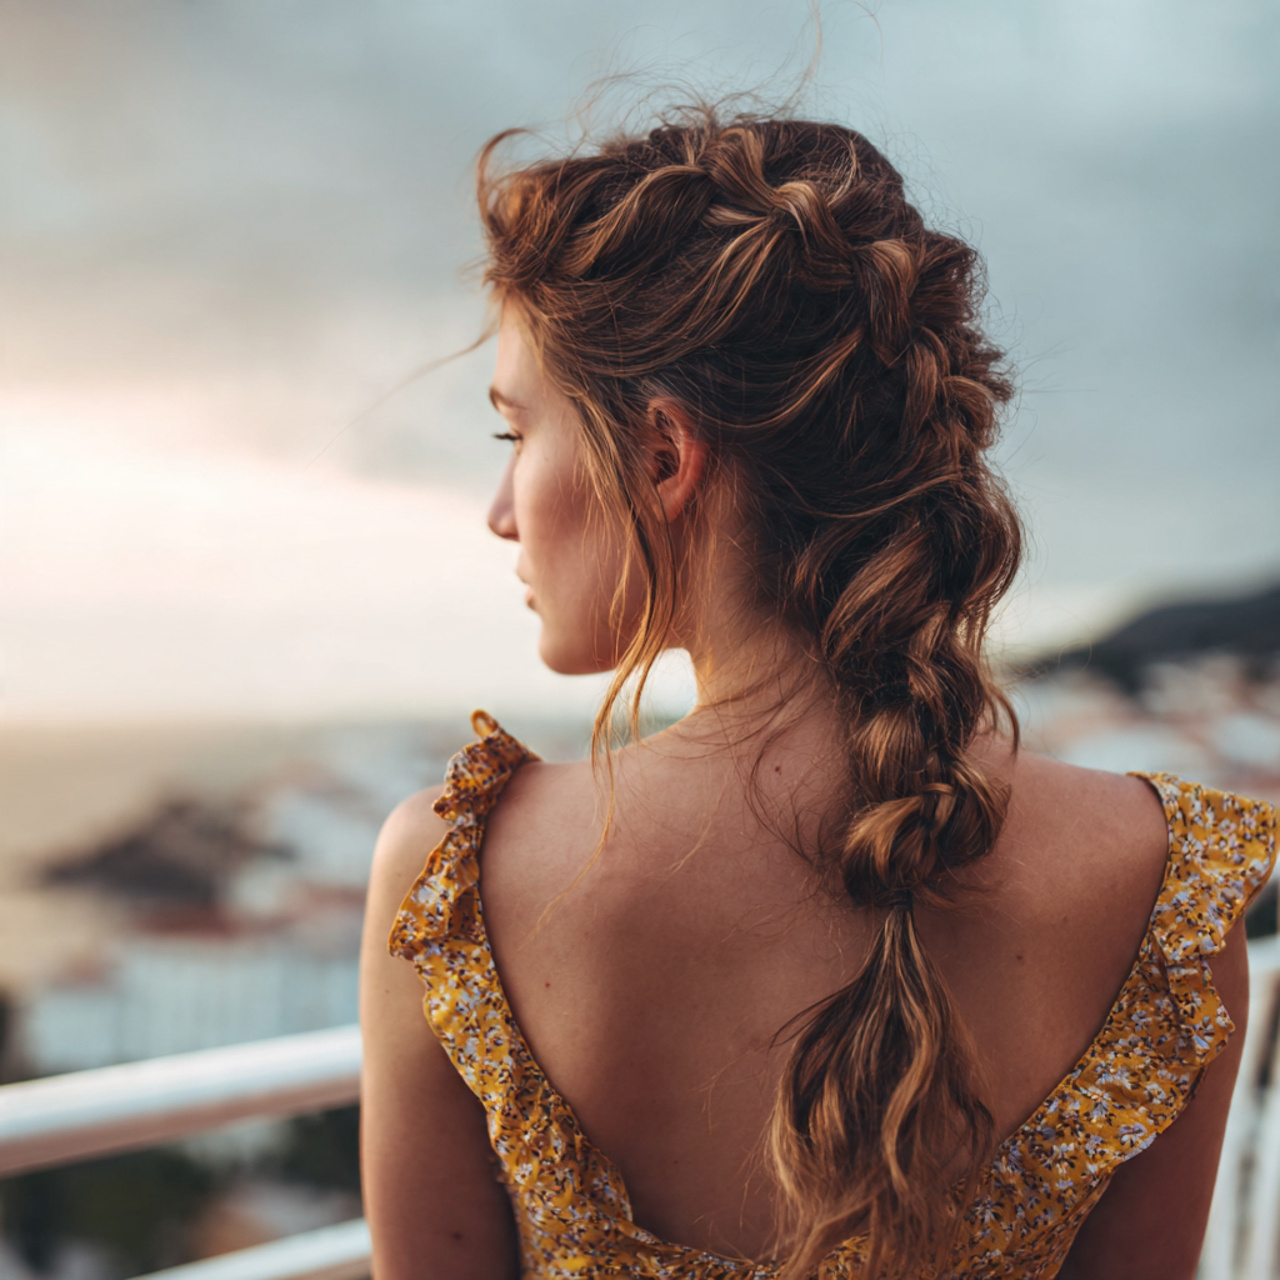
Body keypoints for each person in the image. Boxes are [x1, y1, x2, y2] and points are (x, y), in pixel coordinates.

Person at [358, 109, 1276, 1279]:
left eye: (514, 432)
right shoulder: (1158, 893)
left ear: (660, 456)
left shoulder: (456, 879)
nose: (500, 513)